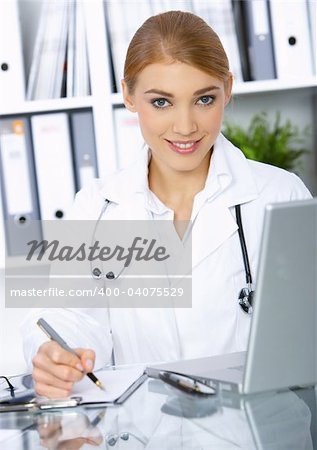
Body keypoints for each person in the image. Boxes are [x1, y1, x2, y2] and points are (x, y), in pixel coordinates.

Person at [21, 10, 311, 398]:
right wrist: (56, 357)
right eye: (161, 102)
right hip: (144, 433)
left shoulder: (280, 194)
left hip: (259, 431)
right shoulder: (97, 206)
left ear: (227, 88)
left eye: (204, 99)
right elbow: (70, 317)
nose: (186, 126)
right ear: (128, 94)